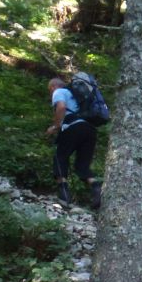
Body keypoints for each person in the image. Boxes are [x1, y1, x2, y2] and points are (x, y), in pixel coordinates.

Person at [46, 76, 102, 209]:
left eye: (50, 89)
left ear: (53, 86)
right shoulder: (77, 96)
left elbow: (61, 107)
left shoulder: (59, 91)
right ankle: (97, 188)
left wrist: (55, 126)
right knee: (82, 166)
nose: (50, 92)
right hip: (89, 130)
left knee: (60, 158)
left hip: (72, 127)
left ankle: (64, 195)